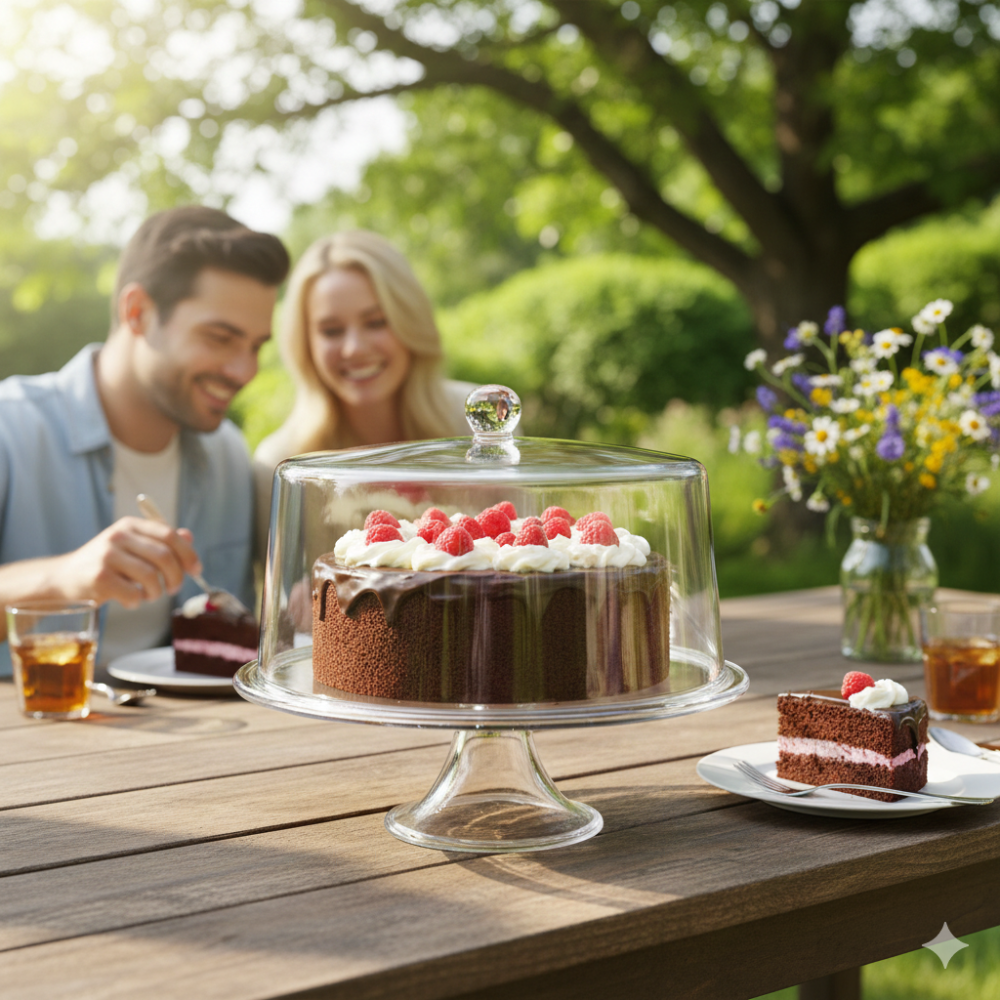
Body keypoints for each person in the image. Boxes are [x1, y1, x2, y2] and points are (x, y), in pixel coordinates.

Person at [0, 206, 290, 674]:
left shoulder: (228, 455)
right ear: (137, 312)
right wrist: (63, 579)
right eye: (219, 338)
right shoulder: (10, 428)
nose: (245, 371)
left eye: (256, 346)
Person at [253, 231, 474, 549]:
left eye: (376, 322)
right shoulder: (279, 465)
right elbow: (282, 595)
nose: (354, 349)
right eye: (331, 331)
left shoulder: (476, 423)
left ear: (410, 321)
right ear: (306, 343)